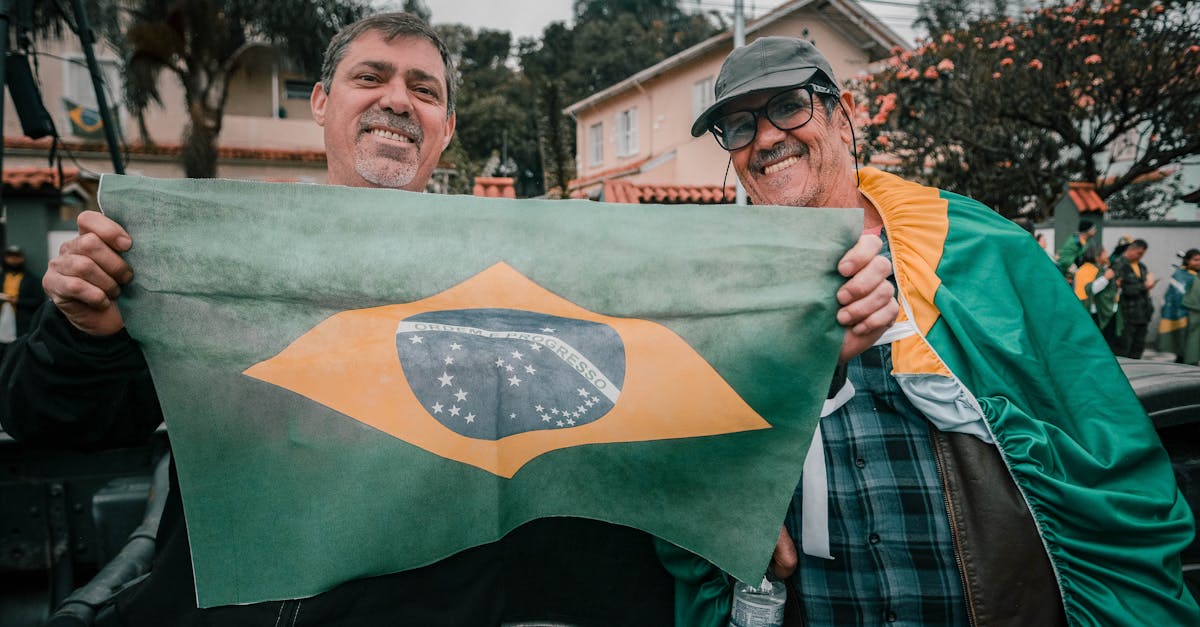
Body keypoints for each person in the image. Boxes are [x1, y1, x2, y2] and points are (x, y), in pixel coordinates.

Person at [0, 14, 896, 627]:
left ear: (447, 126)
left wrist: (815, 340)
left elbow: (650, 407)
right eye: (370, 77)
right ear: (322, 102)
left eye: (423, 89)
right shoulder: (214, 264)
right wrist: (84, 330)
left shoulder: (537, 281)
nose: (397, 99)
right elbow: (56, 421)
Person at [687, 36, 1197, 626]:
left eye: (787, 106)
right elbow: (686, 450)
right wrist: (737, 501)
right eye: (739, 125)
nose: (767, 137)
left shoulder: (980, 249)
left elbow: (1102, 447)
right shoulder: (716, 292)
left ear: (842, 110)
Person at [1111, 238, 1156, 359]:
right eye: (1139, 253)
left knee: (1138, 348)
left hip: (1143, 312)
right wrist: (1144, 286)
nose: (1140, 256)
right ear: (1131, 250)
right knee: (1124, 348)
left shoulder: (1141, 266)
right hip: (1127, 314)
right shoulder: (1119, 264)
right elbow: (1123, 289)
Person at [1073, 239, 1121, 346]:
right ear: (1096, 255)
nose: (1107, 254)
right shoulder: (1086, 270)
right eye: (1104, 252)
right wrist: (1105, 278)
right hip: (1093, 314)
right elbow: (1090, 290)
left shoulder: (1100, 268)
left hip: (1104, 312)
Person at [1157, 248, 1200, 364]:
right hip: (1183, 314)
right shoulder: (1180, 275)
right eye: (1195, 260)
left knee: (1194, 345)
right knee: (1183, 344)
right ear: (1187, 261)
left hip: (1196, 315)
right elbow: (1175, 297)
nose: (1198, 262)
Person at [0, 244, 45, 344]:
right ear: (5, 258)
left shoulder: (32, 279)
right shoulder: (1, 277)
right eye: (10, 256)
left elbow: (39, 301)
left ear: (22, 258)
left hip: (23, 325)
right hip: (2, 322)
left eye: (17, 256)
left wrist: (18, 301)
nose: (13, 259)